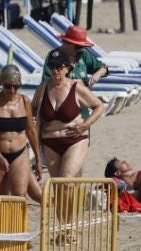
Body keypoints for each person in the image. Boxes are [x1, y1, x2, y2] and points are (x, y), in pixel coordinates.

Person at [30, 49, 106, 179]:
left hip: (74, 140)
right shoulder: (42, 88)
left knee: (66, 179)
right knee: (59, 186)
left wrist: (85, 125)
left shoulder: (76, 87)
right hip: (49, 142)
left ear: (68, 68)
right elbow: (33, 110)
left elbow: (99, 106)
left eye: (59, 67)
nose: (55, 70)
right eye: (52, 66)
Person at [0, 64, 42, 201]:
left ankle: (18, 223)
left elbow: (31, 132)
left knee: (20, 194)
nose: (13, 90)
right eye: (8, 86)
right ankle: (0, 223)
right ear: (1, 84)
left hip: (19, 152)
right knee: (0, 196)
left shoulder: (24, 101)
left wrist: (38, 159)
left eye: (16, 86)